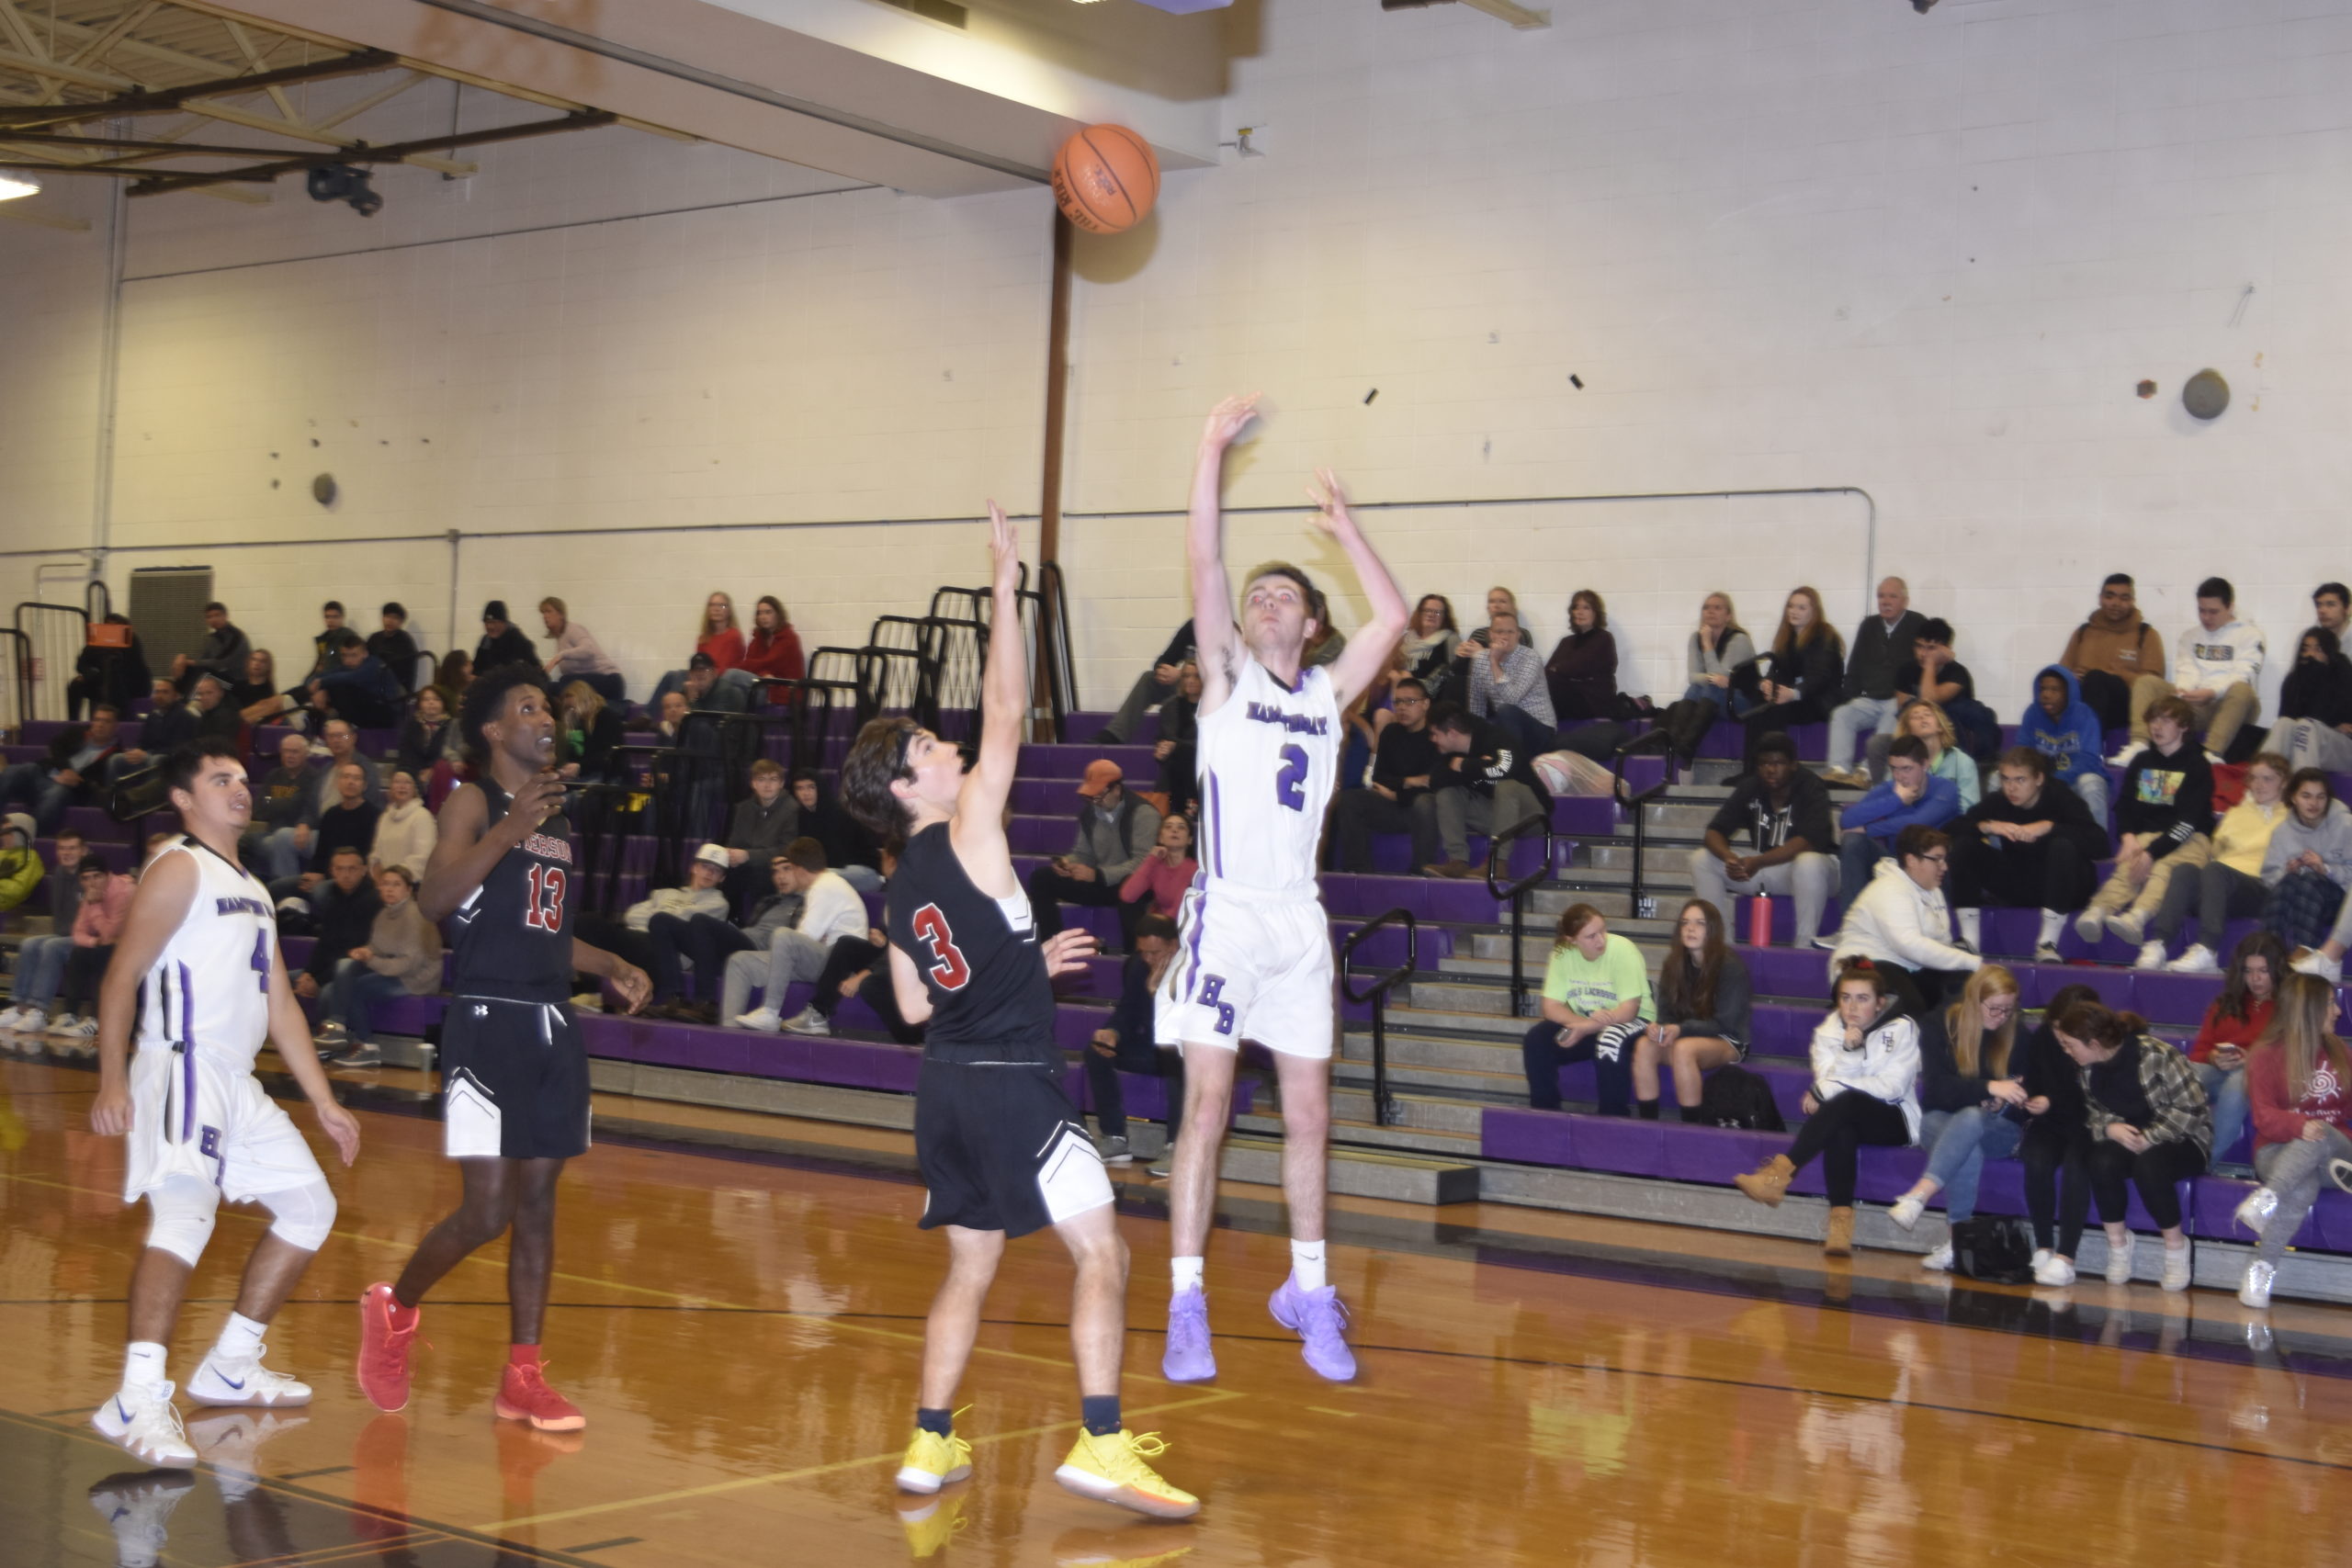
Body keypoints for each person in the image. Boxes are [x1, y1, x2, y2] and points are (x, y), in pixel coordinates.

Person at [838, 502, 1198, 1517]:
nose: (950, 747)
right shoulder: (968, 831)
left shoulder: (900, 881)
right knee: (1103, 1251)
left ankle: (928, 1445)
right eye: (927, 744)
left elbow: (914, 1003)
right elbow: (1005, 710)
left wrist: (1019, 960)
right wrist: (1002, 581)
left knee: (971, 1266)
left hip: (943, 1093)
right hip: (1010, 1089)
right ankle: (1099, 1440)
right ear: (910, 783)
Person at [1154, 397, 1408, 1389]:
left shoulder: (1325, 698)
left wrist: (1345, 532)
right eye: (1255, 595)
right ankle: (1186, 1302)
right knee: (1208, 1103)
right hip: (1224, 916)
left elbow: (1390, 617)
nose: (1261, 601)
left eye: (1281, 596)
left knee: (1310, 1114)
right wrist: (1209, 449)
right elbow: (1205, 566)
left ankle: (1309, 1290)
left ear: (1307, 621)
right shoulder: (1226, 684)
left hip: (1298, 922)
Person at [357, 664, 651, 1433]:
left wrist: (611, 962)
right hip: (487, 1018)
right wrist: (505, 828)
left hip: (552, 1020)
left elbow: (545, 929)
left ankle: (523, 1374)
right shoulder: (473, 800)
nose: (544, 715)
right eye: (528, 706)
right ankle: (395, 1309)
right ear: (494, 730)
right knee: (487, 1209)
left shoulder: (555, 818)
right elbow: (433, 900)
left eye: (547, 705)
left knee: (541, 1206)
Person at [80, 737, 359, 1467]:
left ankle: (232, 1361)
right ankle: (137, 1395)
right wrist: (113, 1078)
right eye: (220, 779)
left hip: (237, 1080)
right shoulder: (178, 868)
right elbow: (121, 977)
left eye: (242, 777)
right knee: (185, 1214)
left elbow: (281, 1007)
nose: (240, 788)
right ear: (183, 797)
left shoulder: (256, 887)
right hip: (181, 1067)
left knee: (310, 1207)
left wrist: (324, 1100)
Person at [1733, 960, 1922, 1257]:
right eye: (1846, 998)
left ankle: (1778, 1176)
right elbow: (1828, 1084)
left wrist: (1824, 1090)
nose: (1852, 1007)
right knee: (1841, 1124)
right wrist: (1848, 1051)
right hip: (1848, 1114)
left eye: (1863, 999)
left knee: (1842, 1103)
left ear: (1880, 1003)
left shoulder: (1901, 1028)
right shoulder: (1828, 1032)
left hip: (1894, 1117)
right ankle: (1840, 1226)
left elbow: (1892, 1087)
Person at [2054, 999, 2211, 1292]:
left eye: (2070, 1044)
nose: (2067, 1050)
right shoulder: (2087, 1069)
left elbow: (2193, 1110)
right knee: (2101, 1161)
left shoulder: (2158, 1054)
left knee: (2150, 1166)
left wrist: (2150, 1137)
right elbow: (2093, 1115)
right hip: (2132, 1137)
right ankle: (2118, 1245)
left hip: (2184, 1138)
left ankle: (2176, 1248)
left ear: (2095, 1043)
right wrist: (2108, 1128)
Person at [1884, 966, 2025, 1269]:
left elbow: (2025, 1096)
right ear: (1974, 1001)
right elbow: (1936, 1091)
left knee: (1971, 1118)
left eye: (2008, 1009)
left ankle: (1919, 1194)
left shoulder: (2017, 1033)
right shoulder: (1939, 1025)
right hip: (1944, 1121)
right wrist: (1988, 1087)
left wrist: (2003, 1101)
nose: (2002, 1016)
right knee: (1961, 1138)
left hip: (1999, 1129)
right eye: (1995, 1008)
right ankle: (1957, 1243)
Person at [2233, 973, 2352, 1308]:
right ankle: (2261, 1272)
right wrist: (2299, 1125)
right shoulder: (2266, 1054)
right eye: (2330, 1003)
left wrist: (2308, 1126)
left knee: (2321, 1133)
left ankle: (2268, 1197)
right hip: (2276, 1149)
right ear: (2309, 1008)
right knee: (2303, 1184)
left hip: (2339, 1152)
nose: (2338, 1011)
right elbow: (2264, 1117)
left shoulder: (2340, 1051)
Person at [2075, 696, 2213, 949]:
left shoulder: (2197, 765)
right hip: (2149, 835)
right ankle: (2099, 910)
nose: (2157, 727)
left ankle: (2137, 917)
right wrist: (2128, 837)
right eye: (2153, 720)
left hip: (2190, 838)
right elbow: (2124, 806)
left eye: (2166, 720)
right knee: (2127, 867)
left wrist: (2151, 853)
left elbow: (2188, 823)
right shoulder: (2141, 762)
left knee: (2164, 869)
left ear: (2183, 726)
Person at [1948, 747, 2109, 964]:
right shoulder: (1999, 800)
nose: (2011, 787)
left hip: (2066, 886)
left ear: (2039, 779)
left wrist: (2050, 827)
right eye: (2005, 779)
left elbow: (2100, 844)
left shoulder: (2060, 796)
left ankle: (2047, 943)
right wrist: (1988, 826)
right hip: (2021, 881)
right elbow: (1950, 830)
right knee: (1964, 845)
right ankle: (1969, 939)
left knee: (2062, 846)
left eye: (2020, 780)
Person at [1689, 731, 1837, 946]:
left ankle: (1805, 947)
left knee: (1809, 863)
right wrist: (1729, 857)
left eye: (1778, 763)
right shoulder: (1751, 786)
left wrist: (1758, 862)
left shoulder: (1811, 786)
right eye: (1764, 764)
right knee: (1701, 859)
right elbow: (1714, 831)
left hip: (1816, 872)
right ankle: (1720, 945)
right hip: (1767, 868)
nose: (1770, 769)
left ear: (1794, 764)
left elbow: (1807, 842)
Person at [2143, 752, 2289, 970]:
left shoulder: (2290, 818)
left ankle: (2207, 947)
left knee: (2216, 870)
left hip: (2261, 888)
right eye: (2254, 778)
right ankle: (2159, 944)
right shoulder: (2235, 814)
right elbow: (2215, 852)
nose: (2259, 784)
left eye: (2267, 778)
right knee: (2185, 870)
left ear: (2284, 783)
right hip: (2221, 885)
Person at [1827, 825, 1981, 1014]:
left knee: (1964, 983)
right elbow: (1909, 945)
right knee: (1908, 1006)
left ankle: (1943, 1038)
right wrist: (1972, 961)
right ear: (1911, 860)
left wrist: (1970, 967)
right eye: (1937, 859)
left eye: (1944, 859)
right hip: (1865, 965)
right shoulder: (1889, 889)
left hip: (1907, 967)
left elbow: (1941, 944)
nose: (1945, 866)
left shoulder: (1934, 892)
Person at [1521, 905, 1656, 1114]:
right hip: (1587, 1023)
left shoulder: (1623, 950)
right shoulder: (1562, 953)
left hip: (1633, 1022)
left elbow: (1629, 1010)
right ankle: (1545, 1113)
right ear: (1571, 940)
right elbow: (1551, 1007)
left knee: (1610, 1039)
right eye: (1591, 936)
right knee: (1536, 1039)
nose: (1601, 940)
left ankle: (1613, 1118)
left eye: (1603, 931)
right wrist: (1582, 1024)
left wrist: (1587, 1027)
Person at [727, 839, 874, 1032]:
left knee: (784, 936)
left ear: (800, 869)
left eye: (791, 869)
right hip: (821, 958)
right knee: (741, 961)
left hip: (836, 965)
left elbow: (805, 936)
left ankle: (770, 1011)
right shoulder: (825, 885)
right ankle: (728, 1030)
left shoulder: (826, 886)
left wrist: (787, 947)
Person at [2116, 576, 2264, 763]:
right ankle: (2139, 745)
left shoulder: (2250, 635)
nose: (2206, 617)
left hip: (2232, 706)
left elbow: (2244, 674)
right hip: (2195, 704)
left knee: (2241, 688)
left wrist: (2212, 692)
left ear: (2230, 607)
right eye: (2202, 611)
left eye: (2213, 612)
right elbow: (2186, 670)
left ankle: (2211, 753)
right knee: (2146, 682)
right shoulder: (2190, 636)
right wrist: (2185, 692)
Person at [1630, 898, 1754, 1119]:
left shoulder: (1731, 966)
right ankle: (1647, 1123)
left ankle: (1691, 1128)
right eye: (1685, 922)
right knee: (1644, 1045)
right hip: (1686, 1034)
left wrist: (1680, 1030)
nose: (1690, 928)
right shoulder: (1674, 963)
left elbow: (1725, 1023)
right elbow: (1666, 1014)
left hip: (1728, 1039)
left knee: (1684, 1049)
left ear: (1713, 929)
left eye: (1700, 923)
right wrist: (1660, 1028)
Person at [1084, 914, 1186, 1165]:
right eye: (1143, 952)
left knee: (1176, 1059)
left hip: (1180, 1048)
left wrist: (1156, 993)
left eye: (1154, 952)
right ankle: (1114, 1138)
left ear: (1174, 945)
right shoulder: (1138, 966)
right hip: (1148, 1048)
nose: (1148, 958)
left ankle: (1177, 1146)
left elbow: (1182, 1027)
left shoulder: (1192, 970)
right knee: (1095, 1051)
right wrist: (1113, 1033)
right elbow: (1127, 1011)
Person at [319, 864, 444, 1069]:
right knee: (342, 970)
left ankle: (367, 1047)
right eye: (385, 884)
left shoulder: (415, 916)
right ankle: (336, 1028)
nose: (389, 889)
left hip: (417, 978)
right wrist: (364, 952)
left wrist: (371, 959)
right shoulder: (384, 914)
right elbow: (378, 946)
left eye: (396, 885)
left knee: (357, 988)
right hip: (392, 970)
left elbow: (409, 964)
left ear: (409, 889)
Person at [2018, 982, 2101, 1286]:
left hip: (2089, 1124)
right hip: (2051, 1121)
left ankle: (2067, 1255)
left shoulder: (2100, 1045)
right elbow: (2035, 1077)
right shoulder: (2043, 1038)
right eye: (2054, 1028)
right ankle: (2043, 1245)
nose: (2058, 1037)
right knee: (2036, 1159)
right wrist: (2030, 1097)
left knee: (2076, 1166)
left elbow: (2094, 1100)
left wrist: (2051, 1100)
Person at [1027, 761, 1160, 947]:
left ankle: (1133, 954)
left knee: (1130, 886)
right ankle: (1051, 944)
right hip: (1101, 881)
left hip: (1132, 884)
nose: (1095, 800)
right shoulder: (1089, 813)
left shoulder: (1143, 813)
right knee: (1041, 878)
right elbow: (1082, 853)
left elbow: (1142, 863)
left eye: (1100, 796)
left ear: (1117, 789)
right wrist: (1067, 863)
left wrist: (1098, 875)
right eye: (1092, 797)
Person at [2182, 930, 2281, 1169]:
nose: (2255, 978)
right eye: (2248, 971)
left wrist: (2253, 1060)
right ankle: (2162, 1144)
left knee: (2239, 1083)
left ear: (2277, 970)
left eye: (2263, 971)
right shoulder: (2225, 1003)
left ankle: (2204, 1161)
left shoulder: (2288, 1005)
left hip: (2265, 1080)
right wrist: (2213, 1058)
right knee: (2185, 1073)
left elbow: (2292, 1056)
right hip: (2220, 1073)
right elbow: (2199, 1053)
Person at [1419, 701, 1550, 880]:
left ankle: (1499, 863)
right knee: (1447, 792)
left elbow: (1505, 769)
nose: (1431, 739)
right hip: (1494, 816)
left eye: (1434, 734)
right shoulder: (1447, 751)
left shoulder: (1494, 737)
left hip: (1530, 816)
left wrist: (1465, 765)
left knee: (1507, 786)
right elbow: (1436, 781)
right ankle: (1457, 861)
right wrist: (1481, 766)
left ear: (1452, 733)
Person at [1834, 734, 1962, 912]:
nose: (1899, 776)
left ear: (1925, 765)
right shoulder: (1891, 790)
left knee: (1937, 858)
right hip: (1896, 864)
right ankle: (1850, 929)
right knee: (1853, 841)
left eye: (1906, 769)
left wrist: (1868, 829)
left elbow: (1917, 824)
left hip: (1936, 868)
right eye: (1894, 769)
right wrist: (1896, 799)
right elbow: (1846, 820)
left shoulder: (1946, 789)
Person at [1823, 578, 1925, 784]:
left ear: (1905, 601)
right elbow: (1855, 663)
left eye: (1892, 596)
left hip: (1899, 697)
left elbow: (1924, 661)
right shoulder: (1869, 625)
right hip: (1869, 698)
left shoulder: (1918, 624)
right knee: (1842, 714)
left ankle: (1867, 771)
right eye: (1881, 596)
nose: (1885, 601)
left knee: (1893, 712)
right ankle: (1838, 770)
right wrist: (1848, 696)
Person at [1331, 676, 1438, 873]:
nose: (1402, 708)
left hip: (1423, 811)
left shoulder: (1436, 735)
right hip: (1392, 807)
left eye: (1410, 702)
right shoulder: (1391, 732)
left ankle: (1420, 872)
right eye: (1398, 702)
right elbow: (1380, 778)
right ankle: (1358, 871)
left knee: (1425, 801)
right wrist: (1409, 782)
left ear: (1425, 704)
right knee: (1350, 799)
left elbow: (1434, 783)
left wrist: (1398, 792)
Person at [2248, 769, 2352, 963]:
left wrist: (2326, 869)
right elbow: (2269, 878)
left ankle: (2306, 950)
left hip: (2341, 902)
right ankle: (2269, 950)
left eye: (2320, 797)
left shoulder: (2346, 825)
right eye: (2306, 796)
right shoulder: (2282, 832)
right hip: (2297, 899)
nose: (2314, 804)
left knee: (2310, 879)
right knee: (2291, 880)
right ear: (2293, 797)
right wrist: (2287, 871)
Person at [1739, 587, 1844, 770]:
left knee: (1776, 709)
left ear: (1814, 611)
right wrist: (1768, 683)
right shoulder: (1786, 637)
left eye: (1802, 608)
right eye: (1791, 606)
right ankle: (1751, 770)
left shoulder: (1825, 635)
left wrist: (1793, 694)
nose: (1794, 611)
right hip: (1795, 697)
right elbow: (1777, 669)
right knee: (1758, 704)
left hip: (1819, 701)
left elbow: (1820, 678)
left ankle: (1777, 769)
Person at [289, 851, 380, 1047]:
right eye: (340, 869)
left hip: (359, 970)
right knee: (280, 981)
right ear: (332, 871)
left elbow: (354, 951)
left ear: (364, 870)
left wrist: (319, 981)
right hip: (330, 969)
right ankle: (286, 1040)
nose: (346, 875)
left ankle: (327, 1045)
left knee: (327, 992)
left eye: (352, 869)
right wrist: (308, 973)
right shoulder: (333, 898)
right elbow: (324, 943)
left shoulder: (373, 901)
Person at [0, 828, 85, 1032]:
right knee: (29, 943)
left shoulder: (89, 875)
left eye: (72, 848)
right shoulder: (58, 873)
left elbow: (83, 921)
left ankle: (39, 1009)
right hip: (65, 932)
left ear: (83, 851)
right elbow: (59, 918)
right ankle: (20, 1007)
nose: (67, 853)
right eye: (62, 848)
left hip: (87, 936)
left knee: (51, 946)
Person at [2061, 573, 2165, 733]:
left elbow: (2153, 686)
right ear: (2100, 598)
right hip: (2085, 703)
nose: (2116, 603)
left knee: (2096, 678)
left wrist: (2116, 673)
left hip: (2127, 708)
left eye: (2123, 598)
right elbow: (2061, 675)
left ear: (2132, 602)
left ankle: (2090, 746)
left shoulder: (2146, 634)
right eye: (2110, 597)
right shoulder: (2083, 633)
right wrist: (2071, 678)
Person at [0, 705, 127, 833]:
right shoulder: (77, 732)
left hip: (70, 788)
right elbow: (55, 748)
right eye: (97, 719)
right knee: (14, 770)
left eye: (106, 721)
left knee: (56, 794)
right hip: (46, 773)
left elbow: (96, 784)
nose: (100, 724)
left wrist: (74, 781)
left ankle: (32, 838)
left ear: (116, 726)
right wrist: (64, 770)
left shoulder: (116, 756)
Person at [50, 858, 133, 1041]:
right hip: (107, 945)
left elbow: (110, 933)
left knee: (104, 954)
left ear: (107, 875)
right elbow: (78, 932)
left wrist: (94, 905)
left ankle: (97, 1019)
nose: (91, 883)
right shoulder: (90, 893)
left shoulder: (123, 892)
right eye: (86, 878)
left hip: (135, 945)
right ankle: (70, 1014)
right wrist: (94, 942)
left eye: (96, 877)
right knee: (80, 953)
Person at [1462, 610, 1555, 758]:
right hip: (1508, 728)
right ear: (1490, 635)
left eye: (1510, 632)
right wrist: (1475, 741)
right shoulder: (1480, 660)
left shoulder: (1530, 658)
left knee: (1506, 710)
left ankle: (1510, 766)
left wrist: (1494, 662)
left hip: (1540, 729)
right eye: (1499, 631)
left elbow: (1511, 700)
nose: (1505, 636)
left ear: (1518, 635)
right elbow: (1476, 704)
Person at [1863, 697, 1979, 807]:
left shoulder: (1962, 761)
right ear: (1908, 730)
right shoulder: (1899, 762)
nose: (1922, 718)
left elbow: (1968, 806)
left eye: (1928, 714)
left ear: (1940, 726)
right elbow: (1886, 799)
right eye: (1915, 716)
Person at [717, 759, 798, 913]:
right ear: (753, 783)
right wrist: (731, 855)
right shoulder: (743, 808)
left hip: (773, 866)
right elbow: (735, 841)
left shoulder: (792, 809)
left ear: (781, 784)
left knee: (759, 877)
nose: (767, 785)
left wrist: (748, 855)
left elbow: (786, 850)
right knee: (718, 870)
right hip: (746, 864)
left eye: (773, 779)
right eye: (761, 780)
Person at [1096, 620, 1196, 744]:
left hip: (1212, 694)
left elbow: (1221, 673)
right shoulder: (1192, 627)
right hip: (1188, 690)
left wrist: (1181, 674)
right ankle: (1114, 735)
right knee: (1149, 679)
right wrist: (1163, 670)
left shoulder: (1222, 630)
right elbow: (1164, 660)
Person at [2270, 625, 2352, 774]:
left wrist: (2319, 674)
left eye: (2318, 649)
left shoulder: (2344, 676)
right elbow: (2288, 717)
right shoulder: (2293, 681)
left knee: (2306, 725)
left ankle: (2301, 788)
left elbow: (2322, 716)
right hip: (2306, 741)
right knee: (2283, 724)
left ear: (2330, 653)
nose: (2310, 654)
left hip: (2343, 746)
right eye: (2306, 649)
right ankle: (2261, 781)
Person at [789, 770, 884, 893]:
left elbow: (840, 857)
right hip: (830, 872)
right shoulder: (802, 816)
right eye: (800, 788)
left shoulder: (840, 812)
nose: (805, 793)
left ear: (820, 788)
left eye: (811, 787)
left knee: (815, 878)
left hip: (862, 872)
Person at [1544, 589, 1618, 728]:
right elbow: (1548, 670)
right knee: (1540, 682)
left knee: (1551, 680)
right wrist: (1559, 671)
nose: (1579, 612)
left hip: (1593, 703)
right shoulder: (1566, 641)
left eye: (1586, 608)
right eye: (1576, 607)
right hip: (1571, 699)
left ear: (1595, 613)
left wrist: (1558, 670)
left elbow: (1579, 666)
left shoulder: (1603, 638)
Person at [306, 634, 404, 731]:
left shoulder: (374, 664)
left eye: (353, 655)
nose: (349, 660)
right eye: (345, 655)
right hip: (366, 710)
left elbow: (353, 678)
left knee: (341, 685)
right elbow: (317, 677)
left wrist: (322, 683)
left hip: (386, 713)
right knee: (328, 684)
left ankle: (344, 725)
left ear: (365, 654)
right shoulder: (346, 667)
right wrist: (320, 688)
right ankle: (296, 706)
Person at [537, 597, 625, 704]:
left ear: (561, 614)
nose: (545, 616)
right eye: (543, 613)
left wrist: (560, 656)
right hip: (594, 683)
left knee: (565, 682)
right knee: (550, 687)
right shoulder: (560, 639)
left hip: (609, 682)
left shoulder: (573, 629)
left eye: (549, 611)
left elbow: (589, 650)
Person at [1119, 813, 1196, 928]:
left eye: (1181, 827)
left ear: (1189, 840)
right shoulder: (1156, 866)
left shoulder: (1195, 869)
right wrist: (1151, 858)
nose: (1174, 830)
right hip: (1158, 928)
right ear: (1160, 838)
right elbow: (1128, 895)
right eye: (1168, 827)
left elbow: (1180, 910)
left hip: (1182, 928)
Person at [69, 613, 151, 720]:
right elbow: (81, 664)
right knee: (75, 685)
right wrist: (90, 674)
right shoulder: (97, 641)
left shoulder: (131, 640)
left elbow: (133, 666)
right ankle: (73, 721)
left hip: (128, 684)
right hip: (102, 681)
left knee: (116, 684)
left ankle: (121, 720)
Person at [1151, 663, 1203, 818]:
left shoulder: (1216, 706)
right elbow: (1162, 739)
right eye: (1186, 676)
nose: (1191, 681)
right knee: (1176, 759)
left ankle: (1184, 807)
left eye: (1196, 676)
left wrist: (1176, 745)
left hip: (1204, 762)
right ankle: (1182, 808)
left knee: (1185, 753)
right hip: (1176, 767)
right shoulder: (1170, 707)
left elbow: (1212, 745)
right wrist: (1161, 751)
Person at [557, 680, 628, 786]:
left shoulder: (606, 717)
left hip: (608, 775)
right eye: (569, 708)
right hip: (587, 774)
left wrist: (580, 767)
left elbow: (609, 755)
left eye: (574, 707)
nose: (573, 711)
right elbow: (575, 755)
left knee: (574, 797)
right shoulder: (577, 723)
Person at [171, 602, 251, 695]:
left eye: (217, 615)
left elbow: (221, 664)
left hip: (235, 684)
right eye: (209, 617)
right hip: (220, 678)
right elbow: (200, 660)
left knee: (202, 672)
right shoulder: (211, 638)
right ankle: (177, 697)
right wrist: (182, 658)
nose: (214, 619)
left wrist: (187, 661)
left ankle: (189, 703)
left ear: (225, 616)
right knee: (190, 668)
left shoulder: (237, 636)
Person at [369, 770, 436, 879]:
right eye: (397, 782)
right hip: (385, 886)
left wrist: (396, 878)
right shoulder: (385, 817)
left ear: (415, 789)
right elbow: (376, 853)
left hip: (410, 884)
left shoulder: (422, 816)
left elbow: (422, 858)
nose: (402, 786)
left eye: (407, 782)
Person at [741, 594, 805, 704]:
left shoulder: (789, 639)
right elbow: (749, 664)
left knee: (731, 675)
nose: (763, 617)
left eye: (768, 612)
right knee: (733, 691)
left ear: (778, 615)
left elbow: (770, 663)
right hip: (762, 685)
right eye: (760, 613)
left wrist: (761, 672)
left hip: (784, 691)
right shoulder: (758, 639)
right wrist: (763, 674)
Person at [1400, 594, 1459, 694]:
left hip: (1434, 701)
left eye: (1437, 612)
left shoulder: (1451, 640)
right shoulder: (1405, 639)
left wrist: (1414, 685)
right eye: (1427, 610)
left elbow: (1453, 675)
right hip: (1400, 697)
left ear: (1444, 617)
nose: (1431, 615)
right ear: (1419, 613)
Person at [397, 685, 454, 784]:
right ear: (420, 704)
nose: (431, 703)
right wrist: (418, 773)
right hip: (413, 773)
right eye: (426, 699)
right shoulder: (411, 724)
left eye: (436, 699)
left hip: (442, 774)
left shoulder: (452, 725)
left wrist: (433, 770)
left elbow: (449, 752)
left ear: (444, 703)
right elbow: (406, 753)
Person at [472, 602, 536, 674]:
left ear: (504, 623)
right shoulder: (486, 642)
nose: (490, 626)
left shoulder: (518, 641)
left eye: (494, 622)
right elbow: (476, 668)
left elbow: (534, 670)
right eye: (487, 622)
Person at [368, 603, 420, 691]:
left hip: (395, 686)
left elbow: (408, 673)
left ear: (401, 622)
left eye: (395, 618)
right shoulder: (374, 638)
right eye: (387, 616)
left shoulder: (405, 642)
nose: (390, 621)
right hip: (375, 683)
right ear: (382, 618)